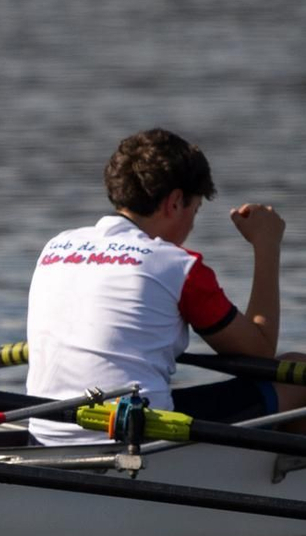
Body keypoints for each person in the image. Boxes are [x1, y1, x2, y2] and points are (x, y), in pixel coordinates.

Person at [25, 127, 306, 446]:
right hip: (136, 435)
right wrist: (266, 246)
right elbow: (261, 352)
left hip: (46, 431)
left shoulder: (57, 246)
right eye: (195, 210)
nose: (192, 225)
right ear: (174, 202)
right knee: (298, 372)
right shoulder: (176, 265)